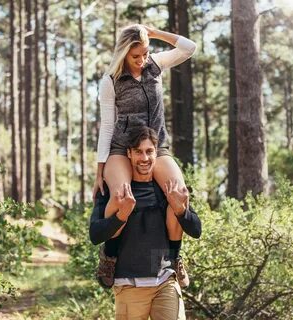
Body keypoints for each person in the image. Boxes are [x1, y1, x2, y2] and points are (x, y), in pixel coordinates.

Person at [94, 24, 197, 286]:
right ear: (123, 53)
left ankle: (174, 258)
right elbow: (107, 126)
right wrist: (99, 172)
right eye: (135, 56)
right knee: (120, 194)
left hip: (156, 147)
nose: (141, 61)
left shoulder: (156, 65)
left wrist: (156, 34)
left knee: (178, 191)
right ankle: (110, 256)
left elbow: (189, 48)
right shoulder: (110, 81)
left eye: (144, 54)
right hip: (122, 147)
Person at [90, 127, 201, 320]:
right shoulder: (116, 191)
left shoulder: (167, 188)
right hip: (129, 284)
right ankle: (108, 260)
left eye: (149, 151)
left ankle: (175, 259)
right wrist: (121, 216)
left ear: (156, 152)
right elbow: (95, 235)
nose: (144, 158)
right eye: (139, 152)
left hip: (165, 281)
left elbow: (196, 230)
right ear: (129, 154)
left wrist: (181, 211)